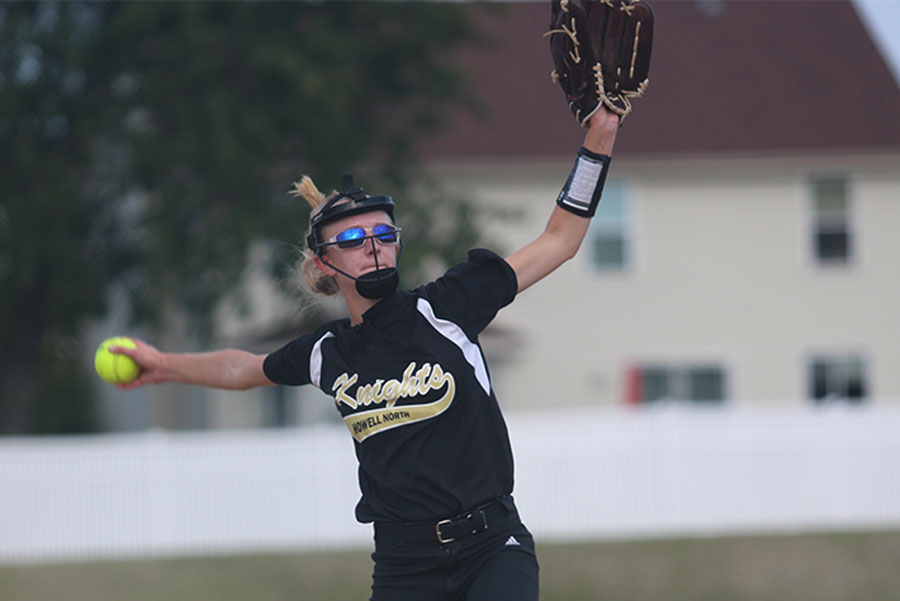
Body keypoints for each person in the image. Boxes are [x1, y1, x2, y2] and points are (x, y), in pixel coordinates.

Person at [113, 107, 619, 601]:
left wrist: (599, 140)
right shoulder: (328, 353)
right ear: (324, 263)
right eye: (353, 238)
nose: (373, 246)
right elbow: (241, 368)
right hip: (403, 565)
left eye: (384, 234)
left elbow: (560, 239)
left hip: (491, 546)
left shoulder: (447, 307)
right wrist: (162, 365)